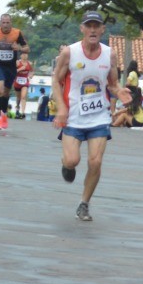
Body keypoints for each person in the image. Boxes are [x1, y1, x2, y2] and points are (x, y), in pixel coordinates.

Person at [53, 11, 119, 223]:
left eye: (96, 26)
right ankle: (67, 164)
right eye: (88, 26)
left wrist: (120, 92)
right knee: (73, 160)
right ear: (82, 28)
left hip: (99, 116)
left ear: (102, 30)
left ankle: (84, 203)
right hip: (73, 116)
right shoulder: (69, 53)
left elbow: (113, 84)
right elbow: (56, 81)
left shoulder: (110, 54)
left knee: (95, 162)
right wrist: (61, 108)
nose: (92, 30)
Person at [0, 14, 28, 120]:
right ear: (0, 23)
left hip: (11, 67)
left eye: (7, 22)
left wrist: (19, 48)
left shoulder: (17, 33)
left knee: (5, 93)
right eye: (3, 22)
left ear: (11, 23)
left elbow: (27, 48)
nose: (5, 25)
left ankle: (3, 115)